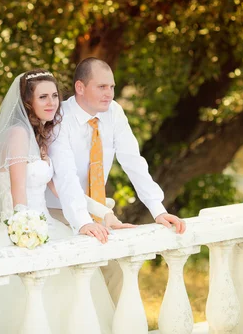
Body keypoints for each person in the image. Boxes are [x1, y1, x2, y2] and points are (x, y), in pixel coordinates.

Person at [0, 69, 118, 334]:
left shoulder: (39, 135)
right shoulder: (18, 135)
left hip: (46, 226)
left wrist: (102, 213)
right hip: (25, 228)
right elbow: (19, 194)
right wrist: (28, 234)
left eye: (55, 95)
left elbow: (62, 190)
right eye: (42, 96)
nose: (51, 102)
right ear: (27, 102)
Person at [47, 57, 187, 303]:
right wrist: (83, 222)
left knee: (118, 273)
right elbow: (65, 178)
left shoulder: (113, 113)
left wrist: (157, 209)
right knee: (77, 285)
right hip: (56, 209)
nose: (109, 93)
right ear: (80, 87)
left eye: (111, 87)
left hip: (96, 209)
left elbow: (133, 161)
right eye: (102, 87)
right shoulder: (59, 118)